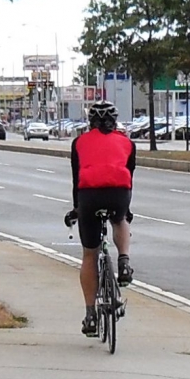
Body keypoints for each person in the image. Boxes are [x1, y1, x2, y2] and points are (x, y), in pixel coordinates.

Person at [64, 100, 136, 337]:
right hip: (119, 194)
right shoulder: (127, 143)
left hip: (89, 196)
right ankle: (124, 261)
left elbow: (77, 179)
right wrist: (126, 208)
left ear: (90, 121)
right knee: (120, 219)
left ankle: (90, 314)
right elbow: (128, 178)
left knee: (89, 254)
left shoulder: (79, 143)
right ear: (114, 121)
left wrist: (77, 209)